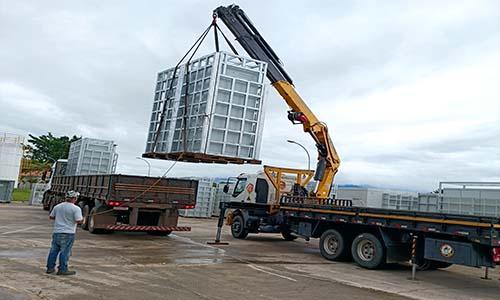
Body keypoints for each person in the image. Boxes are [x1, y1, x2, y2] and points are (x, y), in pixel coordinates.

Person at [46, 190, 83, 275]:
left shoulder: (58, 206)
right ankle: (62, 269)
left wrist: (60, 218)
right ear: (74, 198)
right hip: (68, 233)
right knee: (65, 252)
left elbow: (51, 217)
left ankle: (50, 268)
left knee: (53, 251)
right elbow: (78, 221)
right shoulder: (76, 208)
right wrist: (82, 219)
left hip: (57, 232)